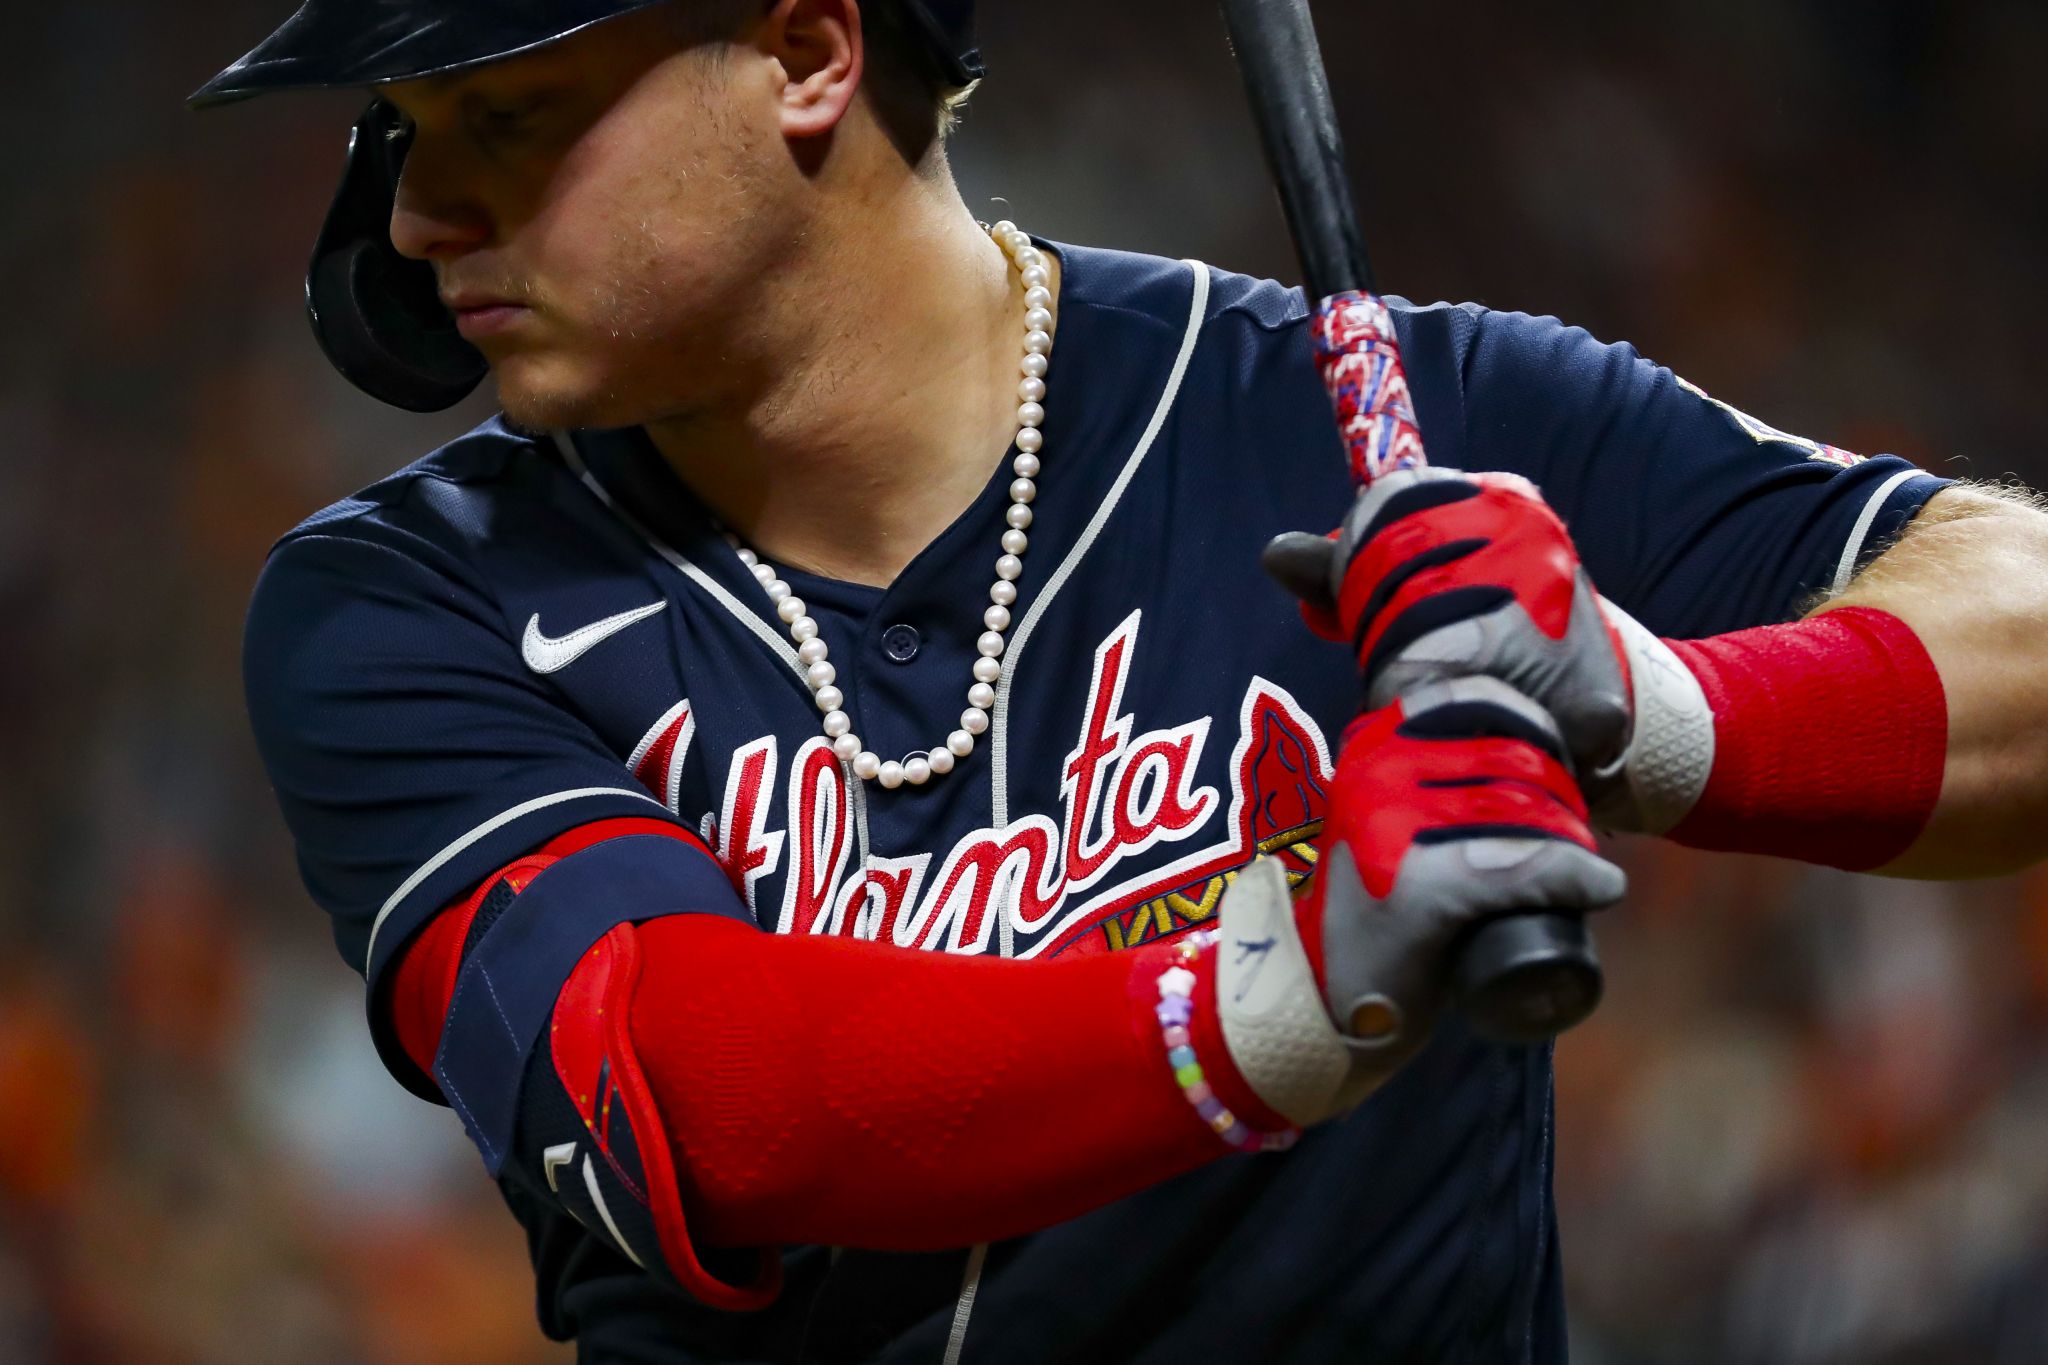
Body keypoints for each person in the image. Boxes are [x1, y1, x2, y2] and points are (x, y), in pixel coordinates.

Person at [196, 1, 2048, 1360]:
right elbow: (687, 1091)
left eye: (505, 116)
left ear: (807, 53)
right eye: (406, 130)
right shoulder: (400, 605)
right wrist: (1292, 993)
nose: (418, 218)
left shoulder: (1369, 412)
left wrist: (1648, 709)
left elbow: (2019, 616)